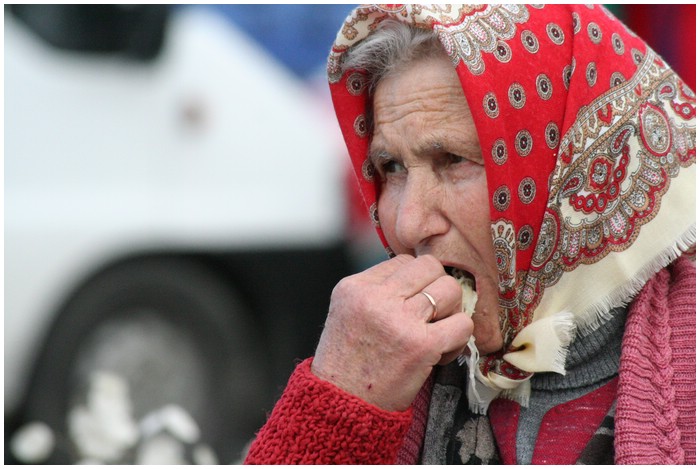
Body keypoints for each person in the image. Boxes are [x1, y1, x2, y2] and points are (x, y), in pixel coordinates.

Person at [245, 4, 695, 465]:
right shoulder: (389, 364)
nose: (408, 224)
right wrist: (339, 401)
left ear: (572, 167)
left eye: (454, 161)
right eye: (392, 168)